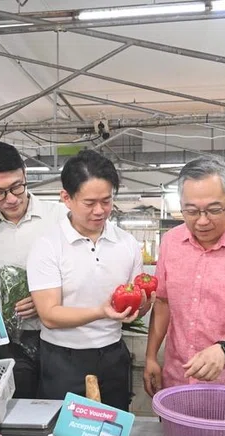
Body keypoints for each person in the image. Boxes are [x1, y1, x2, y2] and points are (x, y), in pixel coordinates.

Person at [27, 150, 151, 410]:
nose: (100, 211)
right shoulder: (47, 245)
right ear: (66, 198)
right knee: (63, 428)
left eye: (106, 201)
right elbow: (49, 315)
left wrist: (142, 304)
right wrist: (100, 312)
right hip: (63, 359)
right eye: (90, 203)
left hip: (113, 355)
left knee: (113, 424)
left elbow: (138, 308)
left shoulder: (126, 243)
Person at [143, 157, 225, 396]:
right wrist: (151, 356)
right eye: (191, 211)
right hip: (177, 380)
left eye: (214, 210)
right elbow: (162, 303)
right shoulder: (171, 243)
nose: (202, 221)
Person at [0, 141, 67, 398]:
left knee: (58, 403)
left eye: (17, 186)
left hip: (59, 336)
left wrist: (47, 300)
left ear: (24, 172)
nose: (12, 199)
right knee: (18, 404)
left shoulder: (60, 217)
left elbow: (86, 272)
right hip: (11, 340)